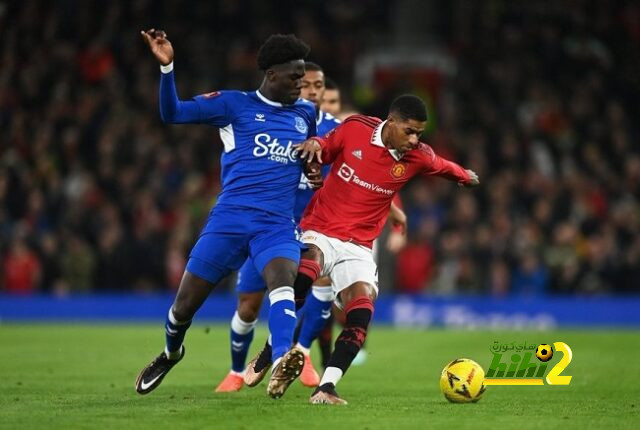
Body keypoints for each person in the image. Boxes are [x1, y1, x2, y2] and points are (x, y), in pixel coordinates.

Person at [134, 30, 320, 400]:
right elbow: (172, 113)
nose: (303, 83)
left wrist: (311, 168)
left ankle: (282, 359)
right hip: (230, 220)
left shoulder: (306, 114)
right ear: (270, 74)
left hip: (276, 224)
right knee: (183, 307)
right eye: (295, 76)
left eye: (304, 76)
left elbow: (305, 160)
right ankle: (172, 352)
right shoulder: (234, 105)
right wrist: (168, 66)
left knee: (283, 282)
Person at [258, 94, 480, 404]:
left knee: (361, 313)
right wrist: (316, 149)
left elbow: (443, 166)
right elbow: (324, 148)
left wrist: (464, 176)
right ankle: (273, 348)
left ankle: (326, 388)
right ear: (391, 122)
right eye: (410, 131)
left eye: (420, 133)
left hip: (359, 246)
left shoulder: (418, 156)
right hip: (320, 229)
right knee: (305, 274)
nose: (415, 140)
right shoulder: (355, 129)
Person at [214, 61, 341, 393]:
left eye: (318, 85)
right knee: (248, 305)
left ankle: (301, 351)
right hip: (270, 227)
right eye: (307, 84)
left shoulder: (335, 131)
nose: (312, 90)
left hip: (310, 229)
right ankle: (236, 370)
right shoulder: (279, 120)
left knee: (319, 282)